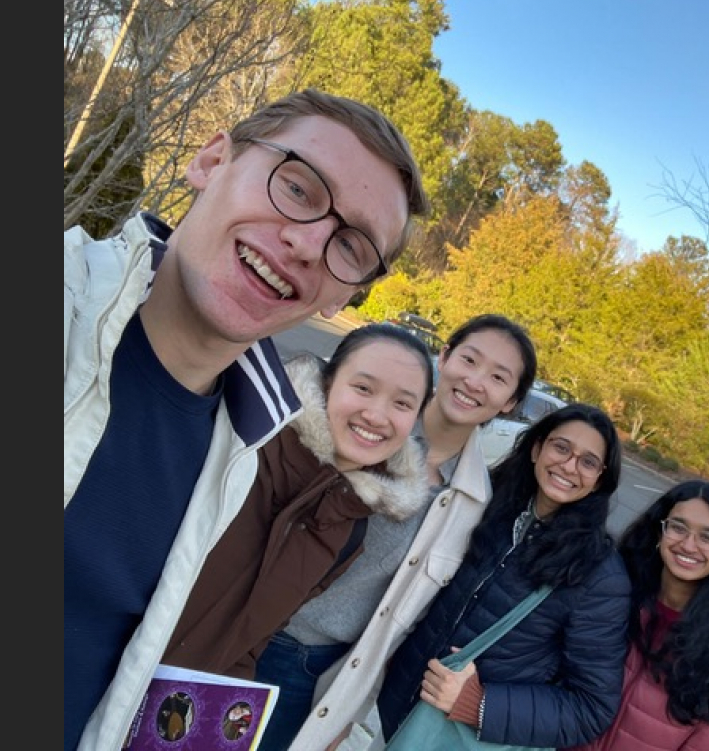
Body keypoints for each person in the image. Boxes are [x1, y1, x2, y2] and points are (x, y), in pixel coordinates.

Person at [64, 88, 428, 751]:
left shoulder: (239, 453)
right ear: (210, 160)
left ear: (345, 296)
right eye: (297, 186)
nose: (309, 243)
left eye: (351, 247)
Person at [262, 314, 539, 751]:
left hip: (317, 667)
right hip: (248, 626)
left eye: (498, 377)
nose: (474, 380)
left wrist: (345, 715)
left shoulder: (472, 504)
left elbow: (402, 619)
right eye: (469, 359)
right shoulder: (360, 425)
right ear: (443, 357)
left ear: (510, 401)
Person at [162, 321, 436, 678]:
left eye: (402, 403)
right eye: (363, 388)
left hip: (169, 709)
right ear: (327, 382)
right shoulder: (244, 445)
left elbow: (253, 638)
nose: (376, 415)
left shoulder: (349, 524)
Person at [375, 403, 632, 750]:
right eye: (561, 447)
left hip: (456, 735)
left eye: (588, 462)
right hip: (397, 709)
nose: (569, 466)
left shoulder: (599, 574)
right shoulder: (491, 505)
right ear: (537, 448)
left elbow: (590, 708)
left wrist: (480, 705)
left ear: (600, 478)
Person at [563, 480, 709, 751]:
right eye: (678, 527)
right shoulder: (609, 599)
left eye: (708, 537)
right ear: (659, 530)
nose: (688, 545)